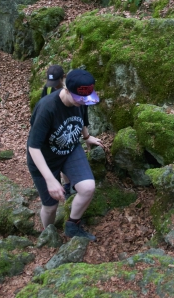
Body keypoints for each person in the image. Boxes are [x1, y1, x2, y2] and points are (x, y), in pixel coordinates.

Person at [27, 69, 103, 241]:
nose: (82, 103)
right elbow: (33, 147)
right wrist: (50, 179)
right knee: (50, 207)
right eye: (79, 99)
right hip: (44, 158)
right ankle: (49, 234)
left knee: (88, 187)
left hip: (69, 149)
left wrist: (87, 137)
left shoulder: (81, 102)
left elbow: (82, 120)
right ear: (67, 90)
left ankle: (72, 226)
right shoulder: (47, 108)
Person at [41, 65, 73, 198]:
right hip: (52, 127)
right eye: (51, 83)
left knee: (65, 154)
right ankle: (57, 184)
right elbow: (42, 107)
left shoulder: (71, 90)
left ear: (63, 77)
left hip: (67, 125)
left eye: (56, 83)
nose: (54, 86)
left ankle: (68, 185)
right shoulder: (47, 89)